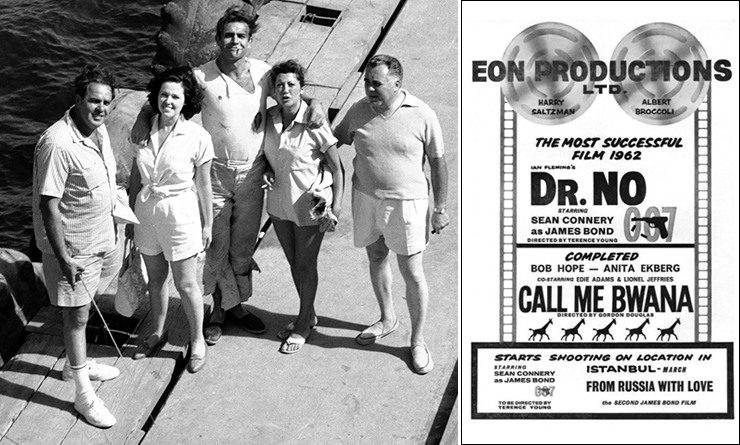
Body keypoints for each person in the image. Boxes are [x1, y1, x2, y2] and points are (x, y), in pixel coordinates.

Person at [131, 6, 326, 345]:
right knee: (217, 245)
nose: (234, 41)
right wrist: (144, 114)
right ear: (218, 39)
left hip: (252, 174)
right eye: (228, 35)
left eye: (241, 35)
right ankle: (219, 310)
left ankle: (237, 306)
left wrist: (317, 102)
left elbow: (292, 91)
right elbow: (166, 91)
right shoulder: (201, 76)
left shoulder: (265, 73)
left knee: (242, 246)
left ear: (249, 41)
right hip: (216, 174)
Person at [334, 55, 450, 375]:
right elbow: (333, 140)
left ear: (397, 83)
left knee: (411, 272)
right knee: (375, 256)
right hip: (366, 198)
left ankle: (417, 340)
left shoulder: (423, 114)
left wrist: (440, 208)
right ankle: (387, 318)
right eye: (367, 83)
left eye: (377, 83)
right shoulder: (358, 110)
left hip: (408, 204)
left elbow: (438, 164)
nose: (370, 89)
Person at [32, 65, 121, 428]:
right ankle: (83, 395)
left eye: (106, 102)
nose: (100, 108)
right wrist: (64, 256)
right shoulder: (57, 143)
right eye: (94, 101)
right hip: (74, 247)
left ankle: (76, 366)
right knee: (76, 316)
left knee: (85, 309)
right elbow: (48, 204)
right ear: (78, 99)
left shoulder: (98, 132)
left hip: (100, 238)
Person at [127, 66, 214, 374]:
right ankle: (157, 331)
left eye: (176, 96)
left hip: (181, 214)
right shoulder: (143, 130)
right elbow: (136, 176)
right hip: (146, 213)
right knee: (155, 279)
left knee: (187, 283)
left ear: (185, 100)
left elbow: (204, 184)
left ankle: (197, 340)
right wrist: (128, 216)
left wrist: (208, 224)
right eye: (164, 95)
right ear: (156, 97)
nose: (169, 101)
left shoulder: (197, 137)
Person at [258, 60, 344, 354]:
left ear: (301, 88)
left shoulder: (314, 121)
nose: (285, 90)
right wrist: (268, 171)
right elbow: (270, 158)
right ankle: (309, 314)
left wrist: (339, 205)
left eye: (291, 84)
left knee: (307, 266)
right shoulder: (268, 118)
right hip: (279, 205)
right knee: (295, 263)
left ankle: (304, 323)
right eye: (279, 85)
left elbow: (337, 165)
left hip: (310, 205)